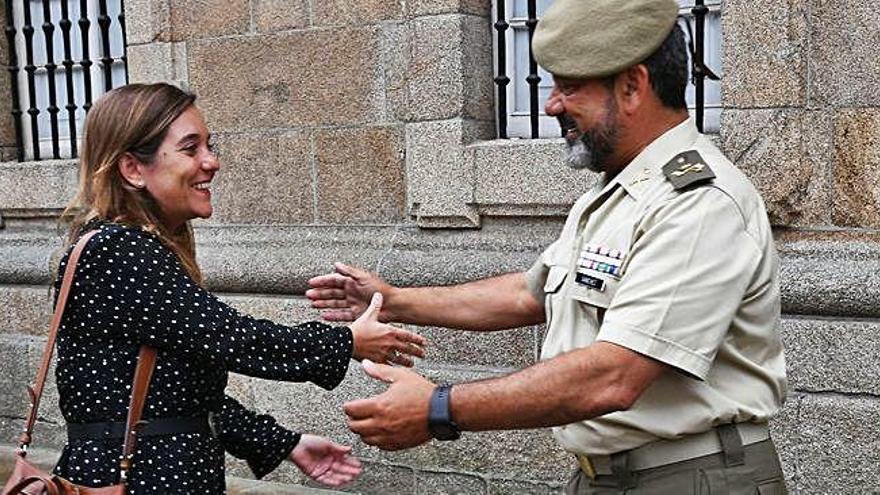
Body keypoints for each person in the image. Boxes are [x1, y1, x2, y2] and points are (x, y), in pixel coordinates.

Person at [306, 0, 788, 492]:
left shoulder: (698, 203)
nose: (551, 104)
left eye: (570, 86)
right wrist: (396, 301)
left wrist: (437, 408)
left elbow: (613, 376)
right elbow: (531, 294)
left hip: (691, 479)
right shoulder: (618, 193)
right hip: (609, 477)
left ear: (632, 86)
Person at [51, 82, 426, 493]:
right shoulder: (117, 251)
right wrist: (345, 342)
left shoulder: (130, 248)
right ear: (133, 169)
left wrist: (283, 443)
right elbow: (233, 339)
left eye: (210, 146)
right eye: (190, 149)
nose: (211, 162)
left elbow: (179, 396)